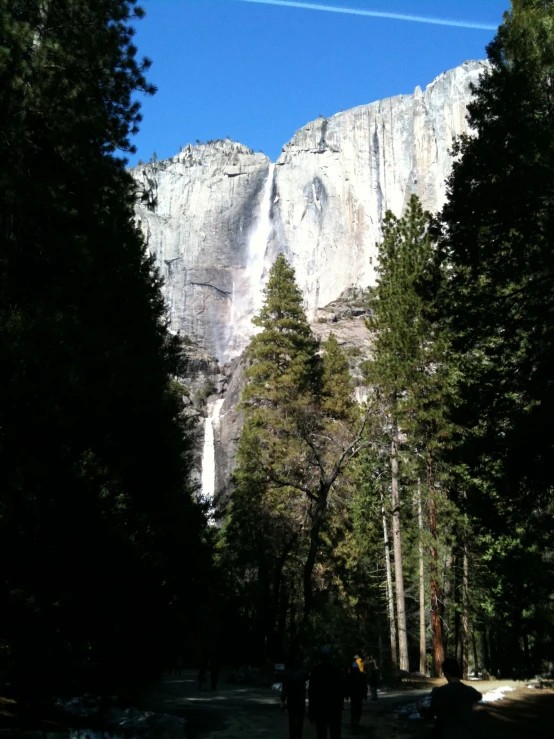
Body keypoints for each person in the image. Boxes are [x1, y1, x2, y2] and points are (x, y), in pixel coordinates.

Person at [418, 657, 482, 738]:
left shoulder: (439, 692)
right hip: (467, 734)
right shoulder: (470, 690)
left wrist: (421, 709)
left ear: (447, 674)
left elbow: (429, 716)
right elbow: (479, 696)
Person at [308, 646, 344, 739]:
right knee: (335, 734)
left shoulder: (315, 671)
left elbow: (311, 693)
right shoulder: (337, 671)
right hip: (334, 708)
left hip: (320, 709)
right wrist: (340, 706)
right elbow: (341, 691)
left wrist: (311, 711)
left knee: (321, 734)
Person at [281, 651, 309, 739]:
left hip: (291, 700)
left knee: (292, 720)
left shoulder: (287, 673)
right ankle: (298, 736)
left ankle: (292, 736)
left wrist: (282, 700)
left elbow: (284, 688)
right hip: (300, 699)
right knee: (300, 720)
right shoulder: (303, 673)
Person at [345, 662, 367, 732]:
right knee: (358, 709)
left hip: (353, 695)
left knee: (354, 708)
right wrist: (364, 694)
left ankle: (354, 721)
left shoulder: (350, 675)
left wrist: (347, 694)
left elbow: (347, 685)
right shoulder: (361, 675)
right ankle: (356, 721)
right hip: (358, 695)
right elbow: (364, 686)